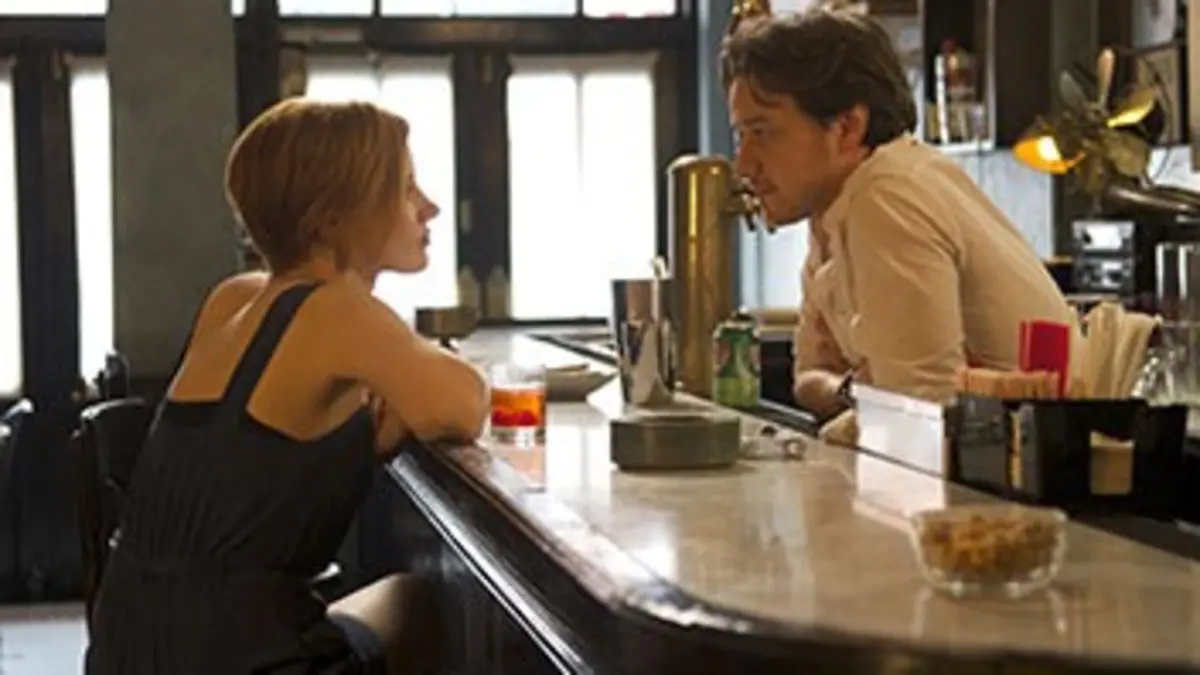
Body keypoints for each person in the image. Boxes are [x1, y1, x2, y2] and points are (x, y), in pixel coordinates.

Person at [85, 98, 488, 674]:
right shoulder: (336, 310)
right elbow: (464, 404)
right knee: (416, 601)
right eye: (405, 188)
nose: (431, 207)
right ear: (331, 218)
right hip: (234, 657)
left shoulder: (233, 297)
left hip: (127, 649)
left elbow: (252, 460)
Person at [721, 10, 1075, 439]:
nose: (743, 164)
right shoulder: (834, 212)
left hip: (1039, 463)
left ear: (848, 127)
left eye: (762, 132)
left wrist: (851, 406)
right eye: (740, 136)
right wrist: (859, 392)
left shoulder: (886, 196)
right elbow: (809, 377)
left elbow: (920, 417)